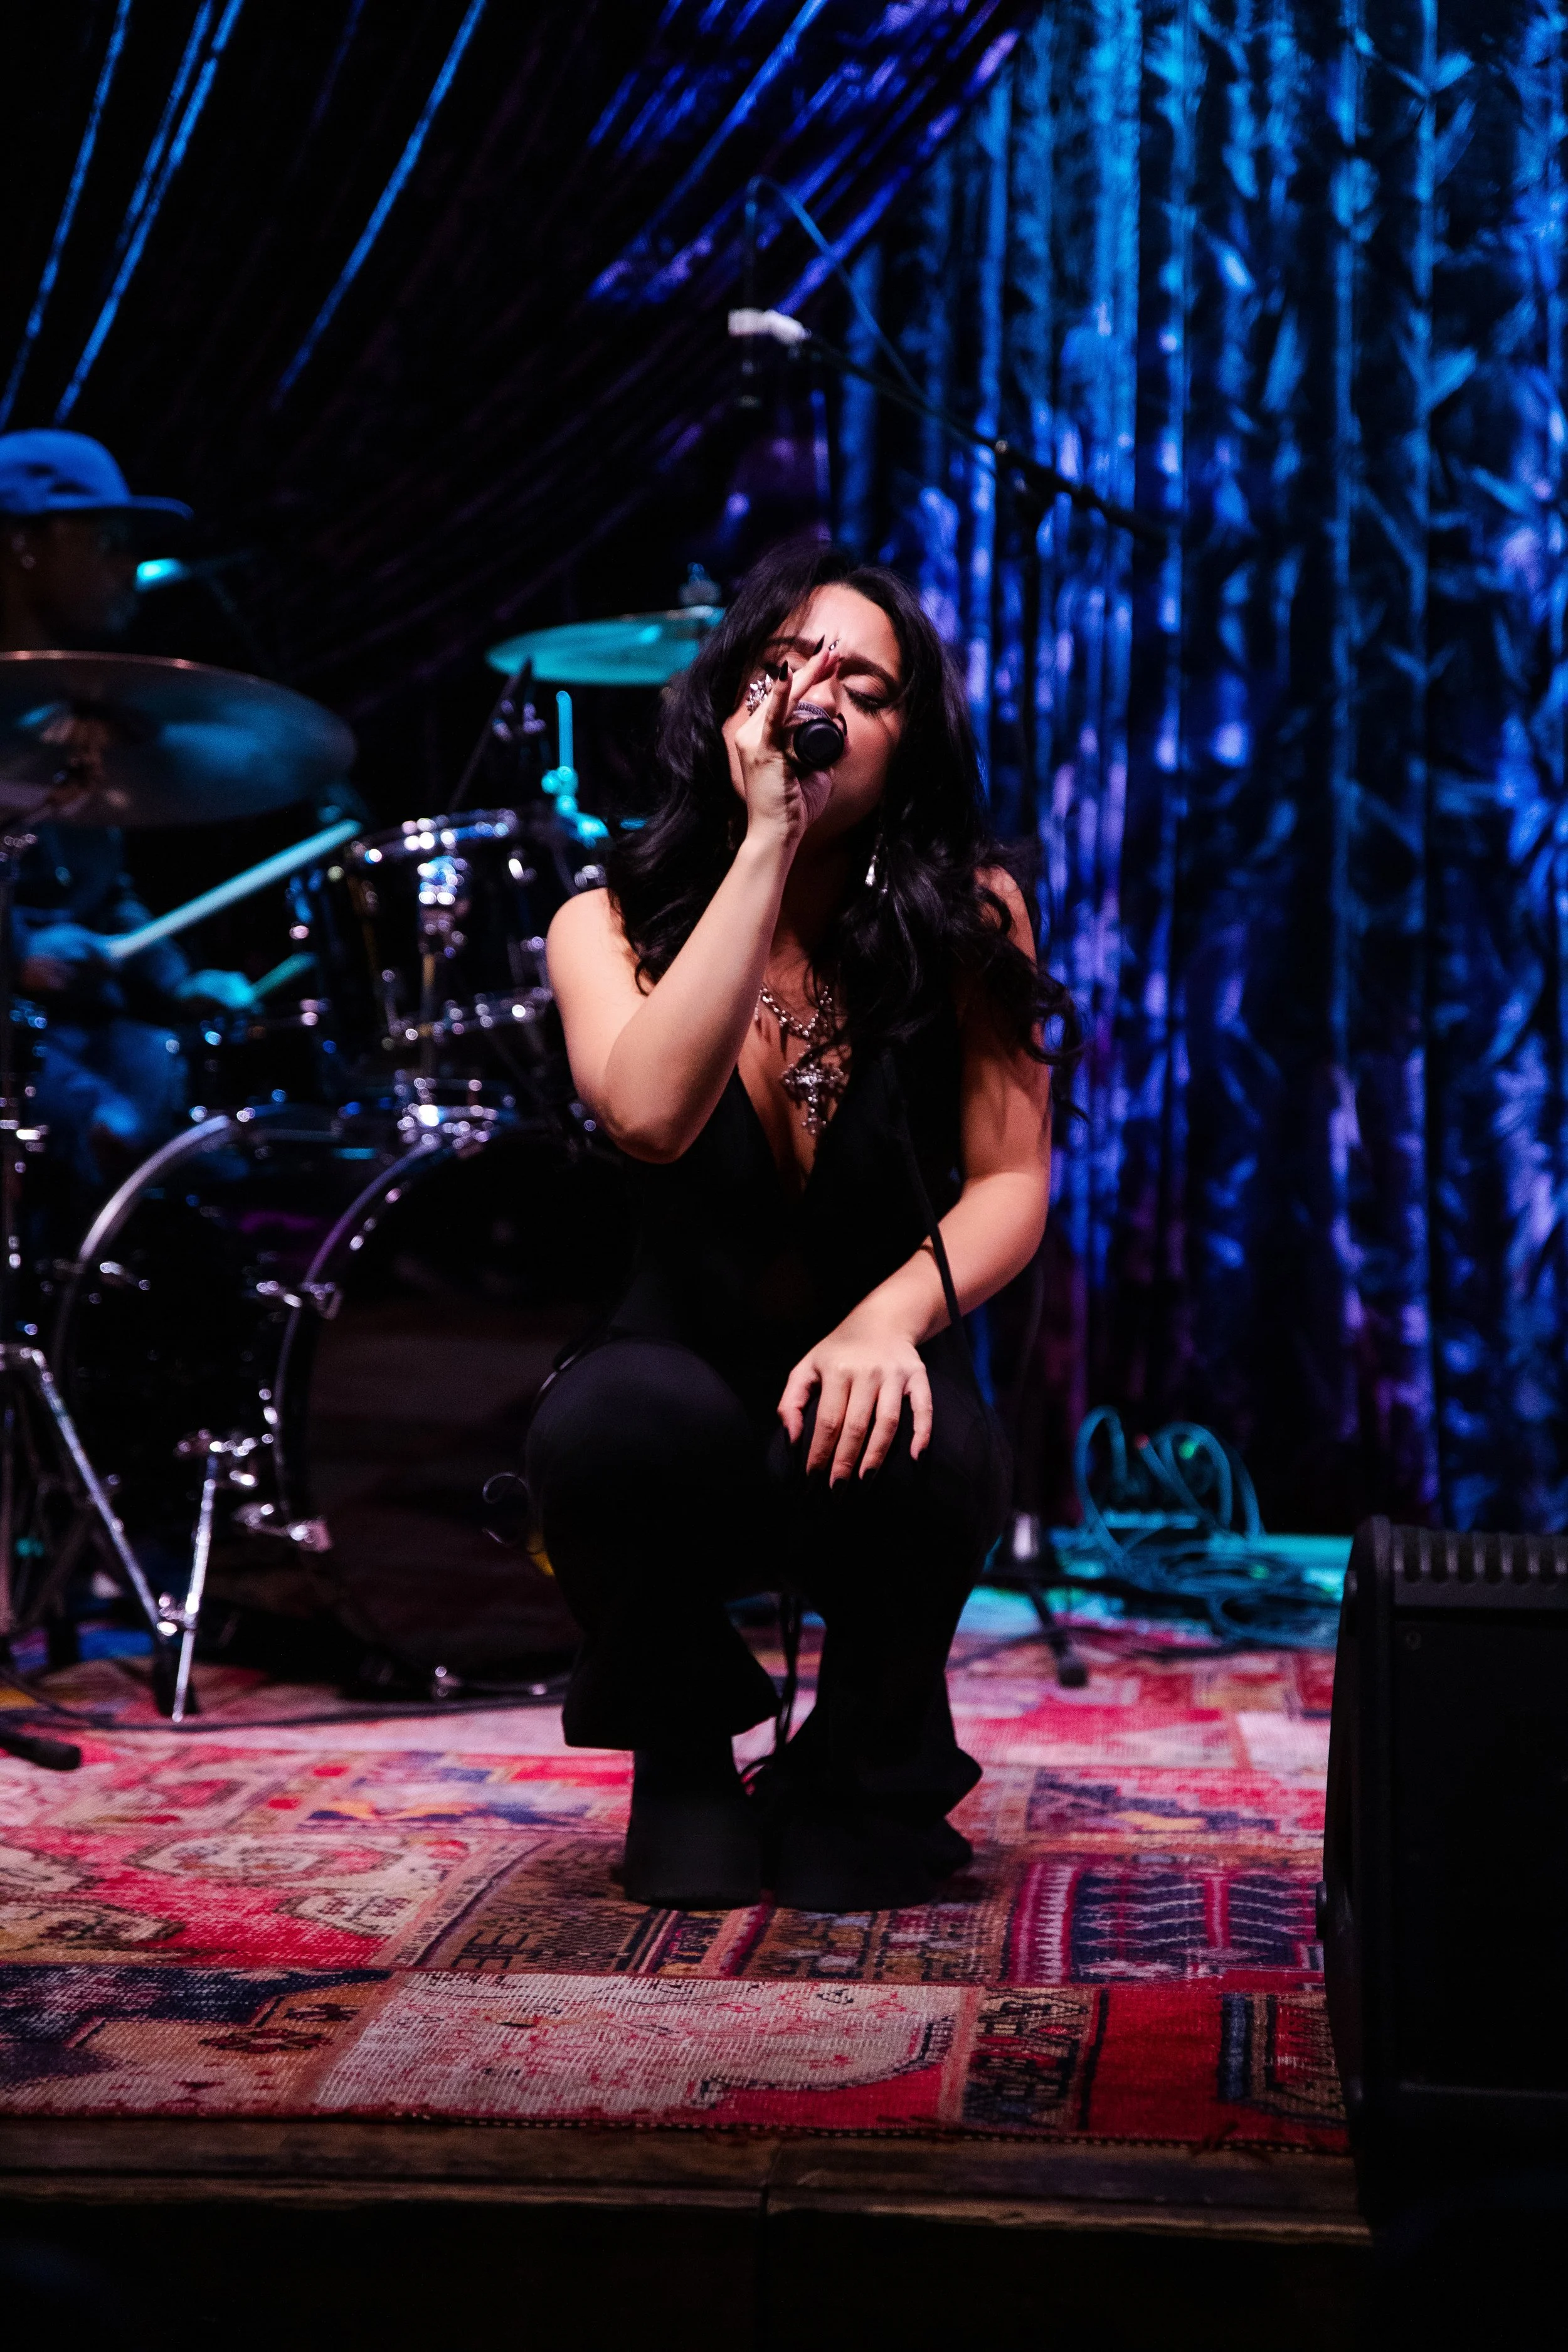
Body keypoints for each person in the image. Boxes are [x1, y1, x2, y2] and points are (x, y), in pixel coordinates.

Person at [536, 541, 1079, 1912]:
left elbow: (1012, 1183)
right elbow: (653, 1117)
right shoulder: (601, 924)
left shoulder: (971, 916)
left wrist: (888, 1320)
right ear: (728, 704)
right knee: (603, 1425)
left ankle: (861, 1753)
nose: (816, 695)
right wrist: (768, 840)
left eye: (863, 683)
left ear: (906, 741)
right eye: (784, 664)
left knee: (932, 1447)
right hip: (682, 1375)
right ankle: (683, 1749)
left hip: (866, 1363)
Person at [0, 428, 255, 1190]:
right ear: (24, 547)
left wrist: (177, 978)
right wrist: (18, 956)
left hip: (73, 1033)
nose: (131, 571)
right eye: (107, 543)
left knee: (211, 1146)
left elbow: (105, 896)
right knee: (112, 1129)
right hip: (20, 1052)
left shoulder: (77, 713)